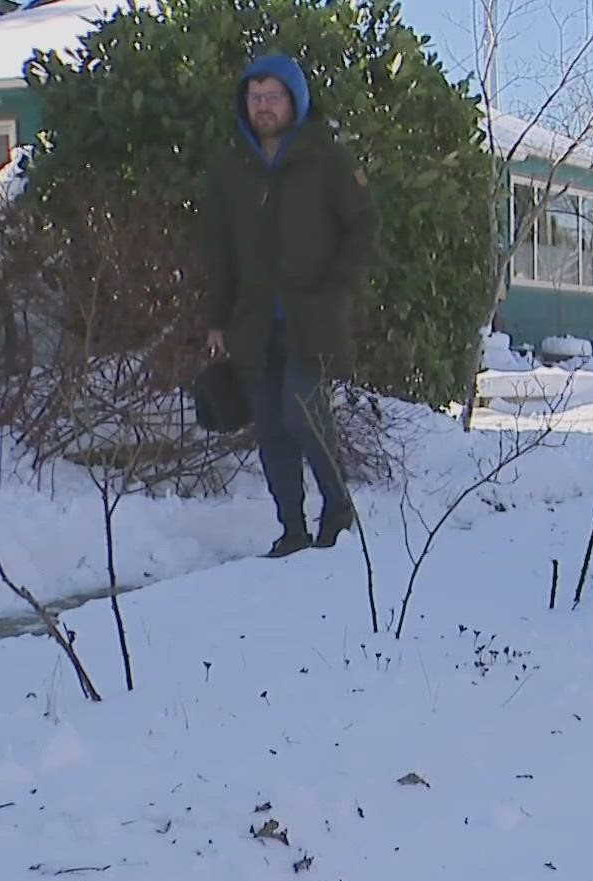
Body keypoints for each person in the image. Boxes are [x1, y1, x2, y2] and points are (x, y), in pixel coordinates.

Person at [198, 53, 380, 558]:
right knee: (272, 429)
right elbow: (219, 250)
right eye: (255, 98)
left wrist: (338, 289)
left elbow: (363, 227)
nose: (263, 107)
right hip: (251, 321)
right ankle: (292, 529)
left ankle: (337, 505)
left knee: (302, 410)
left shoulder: (328, 159)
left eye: (273, 97)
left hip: (312, 317)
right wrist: (215, 319)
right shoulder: (232, 169)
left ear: (294, 100)